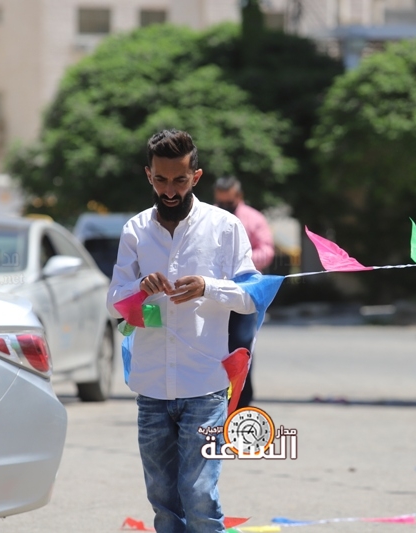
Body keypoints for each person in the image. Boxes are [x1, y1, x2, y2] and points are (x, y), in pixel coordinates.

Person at [107, 130, 259, 533]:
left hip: (205, 384)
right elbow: (114, 303)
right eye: (160, 179)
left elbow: (251, 296)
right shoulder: (135, 230)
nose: (170, 190)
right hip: (151, 388)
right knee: (163, 501)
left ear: (196, 176)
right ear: (148, 175)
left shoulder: (225, 228)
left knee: (199, 495)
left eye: (179, 180)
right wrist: (140, 288)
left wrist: (209, 287)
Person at [214, 177, 274, 408]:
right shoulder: (211, 218)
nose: (224, 207)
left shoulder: (253, 219)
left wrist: (241, 263)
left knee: (241, 345)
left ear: (239, 197)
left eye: (228, 203)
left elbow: (267, 250)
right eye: (221, 202)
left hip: (245, 293)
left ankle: (242, 401)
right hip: (217, 294)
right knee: (215, 345)